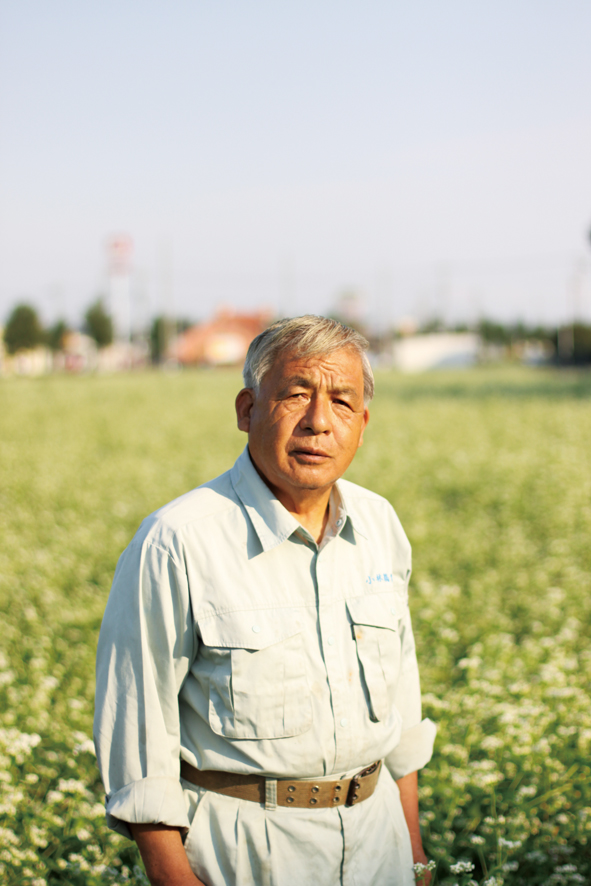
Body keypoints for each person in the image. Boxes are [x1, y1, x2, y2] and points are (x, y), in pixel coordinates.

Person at [94, 315, 436, 886]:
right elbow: (138, 740)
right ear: (246, 410)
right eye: (296, 395)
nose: (319, 422)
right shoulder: (177, 541)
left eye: (342, 402)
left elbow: (400, 718)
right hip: (246, 855)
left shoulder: (380, 524)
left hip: (381, 849)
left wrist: (416, 860)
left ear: (363, 422)